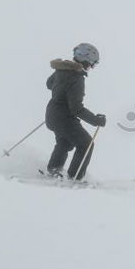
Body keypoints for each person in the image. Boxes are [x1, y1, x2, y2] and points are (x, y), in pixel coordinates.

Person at [45, 43, 106, 180]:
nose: (91, 67)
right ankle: (75, 177)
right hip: (64, 118)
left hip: (52, 115)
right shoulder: (77, 78)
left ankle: (54, 169)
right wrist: (96, 120)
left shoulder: (61, 69)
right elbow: (76, 109)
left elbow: (49, 84)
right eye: (92, 64)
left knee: (65, 142)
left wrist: (61, 92)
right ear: (85, 60)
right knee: (86, 144)